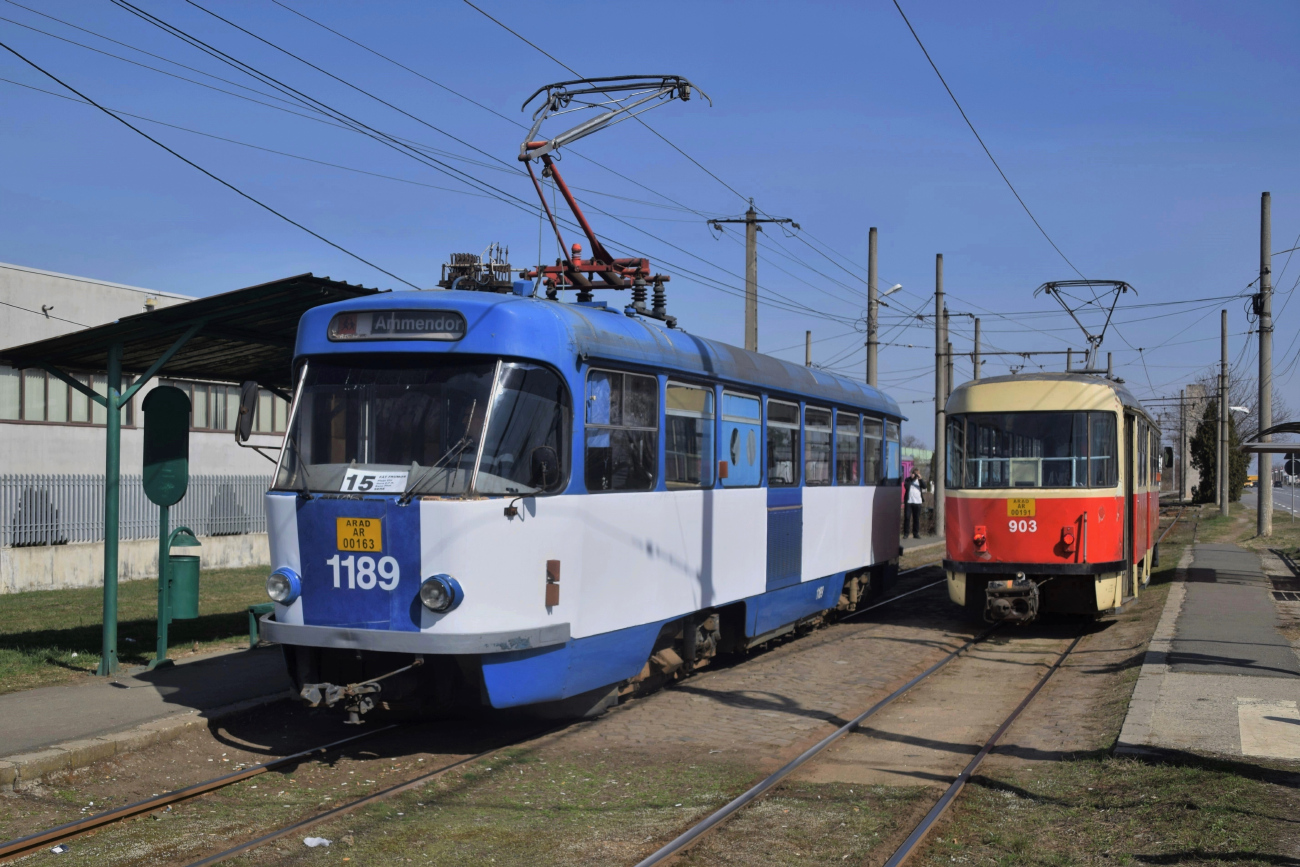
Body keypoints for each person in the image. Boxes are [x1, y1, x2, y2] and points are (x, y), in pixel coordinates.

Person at [903, 468, 925, 538]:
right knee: (907, 517)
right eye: (914, 473)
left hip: (917, 502)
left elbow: (924, 486)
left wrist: (920, 478)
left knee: (916, 518)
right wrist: (911, 479)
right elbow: (906, 486)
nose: (915, 475)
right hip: (909, 502)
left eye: (917, 474)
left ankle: (915, 533)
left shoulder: (919, 481)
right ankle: (906, 533)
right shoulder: (908, 479)